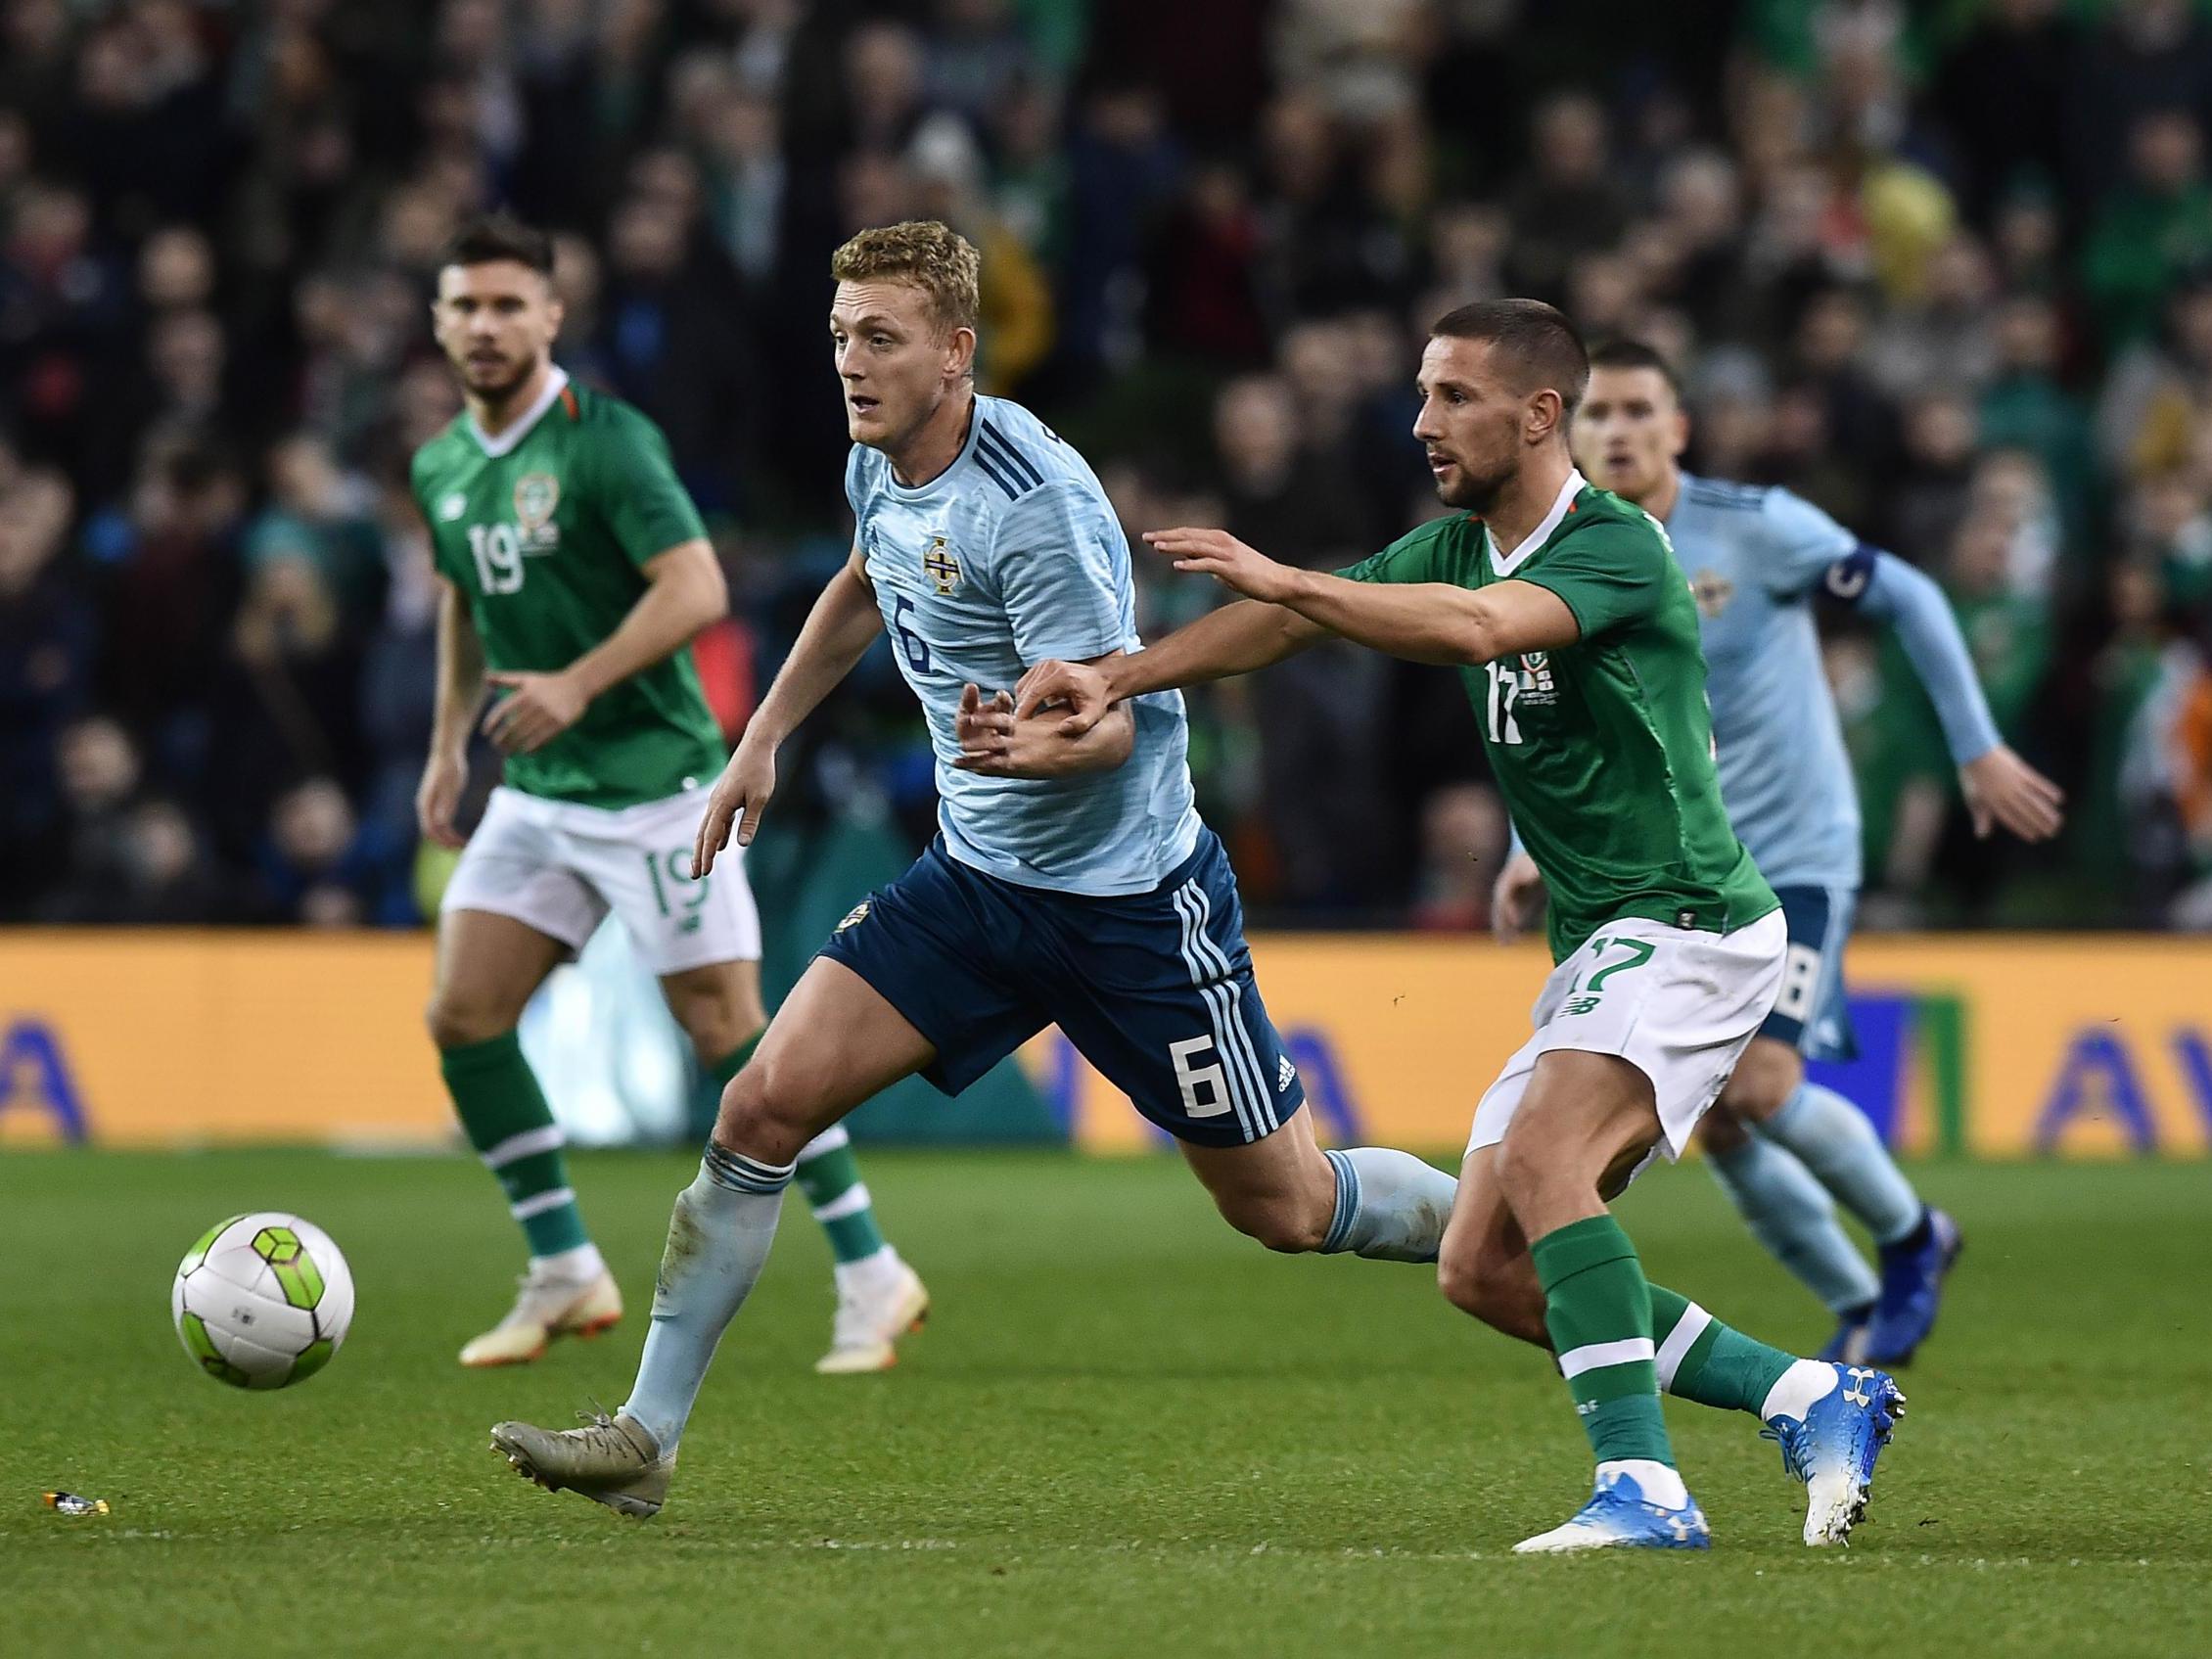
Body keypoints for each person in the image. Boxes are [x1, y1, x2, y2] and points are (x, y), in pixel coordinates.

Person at [487, 219, 1458, 1518]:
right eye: (839, 337)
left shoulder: (1037, 502)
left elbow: (1110, 718)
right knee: (760, 1107)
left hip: (1131, 907)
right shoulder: (879, 461)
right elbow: (858, 582)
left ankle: (1511, 1219)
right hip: (977, 887)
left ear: (957, 350)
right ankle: (645, 1435)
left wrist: (1031, 756)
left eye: (879, 338)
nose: (850, 362)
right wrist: (761, 736)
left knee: (1285, 1202)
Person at [1012, 300, 1907, 1553]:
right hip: (1604, 941)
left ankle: (1644, 1493)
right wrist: (1121, 673)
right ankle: (1809, 1394)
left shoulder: (1616, 547)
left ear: (1541, 415)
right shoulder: (1453, 547)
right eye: (1424, 394)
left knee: (1544, 1164)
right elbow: (1284, 624)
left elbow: (1482, 631)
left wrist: (1292, 576)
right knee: (1482, 1266)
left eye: (1455, 398)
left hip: (1692, 920)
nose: (1424, 421)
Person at [412, 214, 924, 1375]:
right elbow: (461, 596)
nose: (485, 327)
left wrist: (579, 685)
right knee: (464, 1015)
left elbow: (696, 590)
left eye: (508, 305)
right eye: (464, 307)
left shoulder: (606, 444)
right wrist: (447, 746)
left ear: (551, 316)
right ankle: (559, 1266)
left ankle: (871, 1272)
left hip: (654, 787)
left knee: (728, 1037)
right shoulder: (442, 464)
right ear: (440, 323)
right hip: (539, 793)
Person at [1515, 339, 2064, 1364]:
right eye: (1601, 415)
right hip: (1673, 871)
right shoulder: (1566, 553)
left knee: (1759, 1086)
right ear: (1567, 431)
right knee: (1715, 1122)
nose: (1620, 431)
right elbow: (1556, 721)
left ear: (1678, 427)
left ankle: (1911, 1240)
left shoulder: (1757, 529)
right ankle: (1862, 1305)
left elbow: (1906, 593)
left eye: (1641, 411)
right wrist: (1521, 845)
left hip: (1793, 850)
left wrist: (1974, 744)